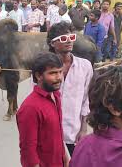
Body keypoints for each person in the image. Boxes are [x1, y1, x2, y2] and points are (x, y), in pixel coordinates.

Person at [47, 21, 93, 156]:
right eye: (63, 39)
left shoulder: (85, 66)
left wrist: (84, 129)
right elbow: (37, 101)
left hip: (74, 132)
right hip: (50, 132)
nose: (68, 41)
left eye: (71, 37)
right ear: (52, 43)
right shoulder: (44, 68)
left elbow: (86, 100)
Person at [17, 52, 68, 167]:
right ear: (39, 76)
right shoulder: (30, 108)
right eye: (53, 73)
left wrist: (65, 157)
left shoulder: (56, 96)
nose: (59, 77)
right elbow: (28, 150)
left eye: (60, 72)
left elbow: (58, 134)